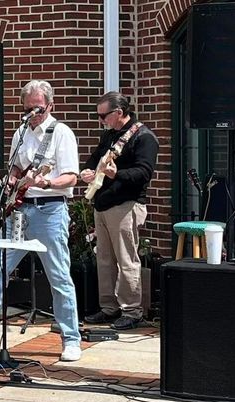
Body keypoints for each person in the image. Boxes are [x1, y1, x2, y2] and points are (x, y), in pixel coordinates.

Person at [0, 80, 83, 362]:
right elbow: (17, 168)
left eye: (38, 109)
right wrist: (12, 179)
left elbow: (71, 176)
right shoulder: (21, 131)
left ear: (50, 106)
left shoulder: (62, 133)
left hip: (49, 210)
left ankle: (71, 338)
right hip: (19, 210)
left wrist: (45, 182)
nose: (33, 114)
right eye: (28, 109)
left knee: (58, 275)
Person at [80, 91, 158, 331]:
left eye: (104, 115)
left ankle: (132, 310)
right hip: (103, 203)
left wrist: (117, 174)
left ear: (119, 112)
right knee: (104, 259)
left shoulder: (144, 137)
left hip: (126, 204)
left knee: (127, 260)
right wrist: (87, 172)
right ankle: (109, 307)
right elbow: (93, 160)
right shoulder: (109, 135)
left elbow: (143, 173)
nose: (101, 120)